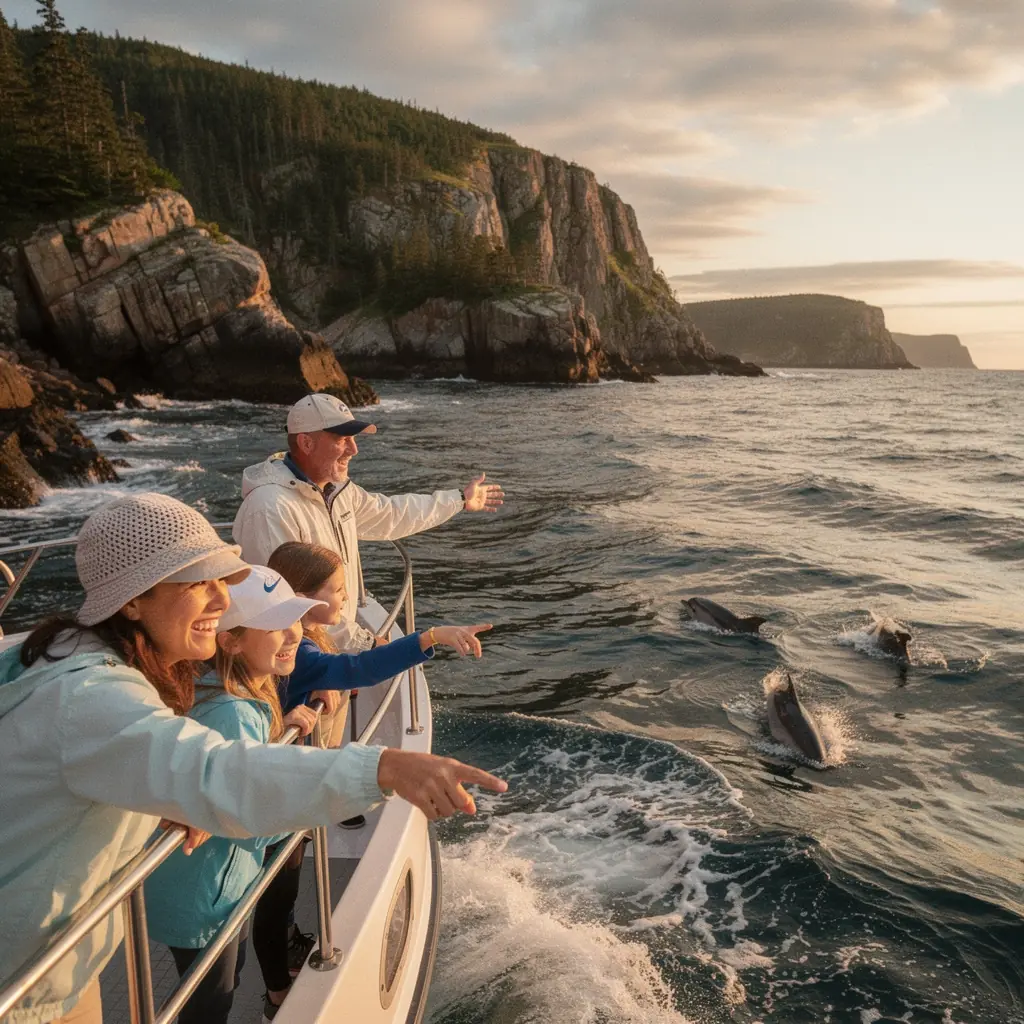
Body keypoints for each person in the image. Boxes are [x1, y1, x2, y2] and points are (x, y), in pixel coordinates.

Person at [0, 493, 507, 1024]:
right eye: (199, 583)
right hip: (24, 984)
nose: (221, 601)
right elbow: (218, 773)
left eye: (223, 580)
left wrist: (154, 804)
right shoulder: (93, 697)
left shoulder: (57, 654)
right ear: (132, 601)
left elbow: (103, 761)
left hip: (48, 964)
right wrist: (384, 767)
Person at [143, 569, 327, 1024]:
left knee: (216, 986)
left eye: (293, 621)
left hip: (190, 885)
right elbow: (254, 809)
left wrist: (283, 728)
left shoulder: (212, 690)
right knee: (212, 999)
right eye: (274, 626)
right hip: (206, 894)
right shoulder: (235, 711)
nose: (292, 636)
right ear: (231, 641)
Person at [232, 392, 504, 659]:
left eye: (353, 439)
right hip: (295, 661)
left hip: (330, 653)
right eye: (342, 439)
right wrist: (364, 643)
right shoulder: (269, 508)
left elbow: (391, 514)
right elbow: (285, 604)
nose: (354, 449)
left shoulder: (336, 491)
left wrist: (458, 500)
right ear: (306, 443)